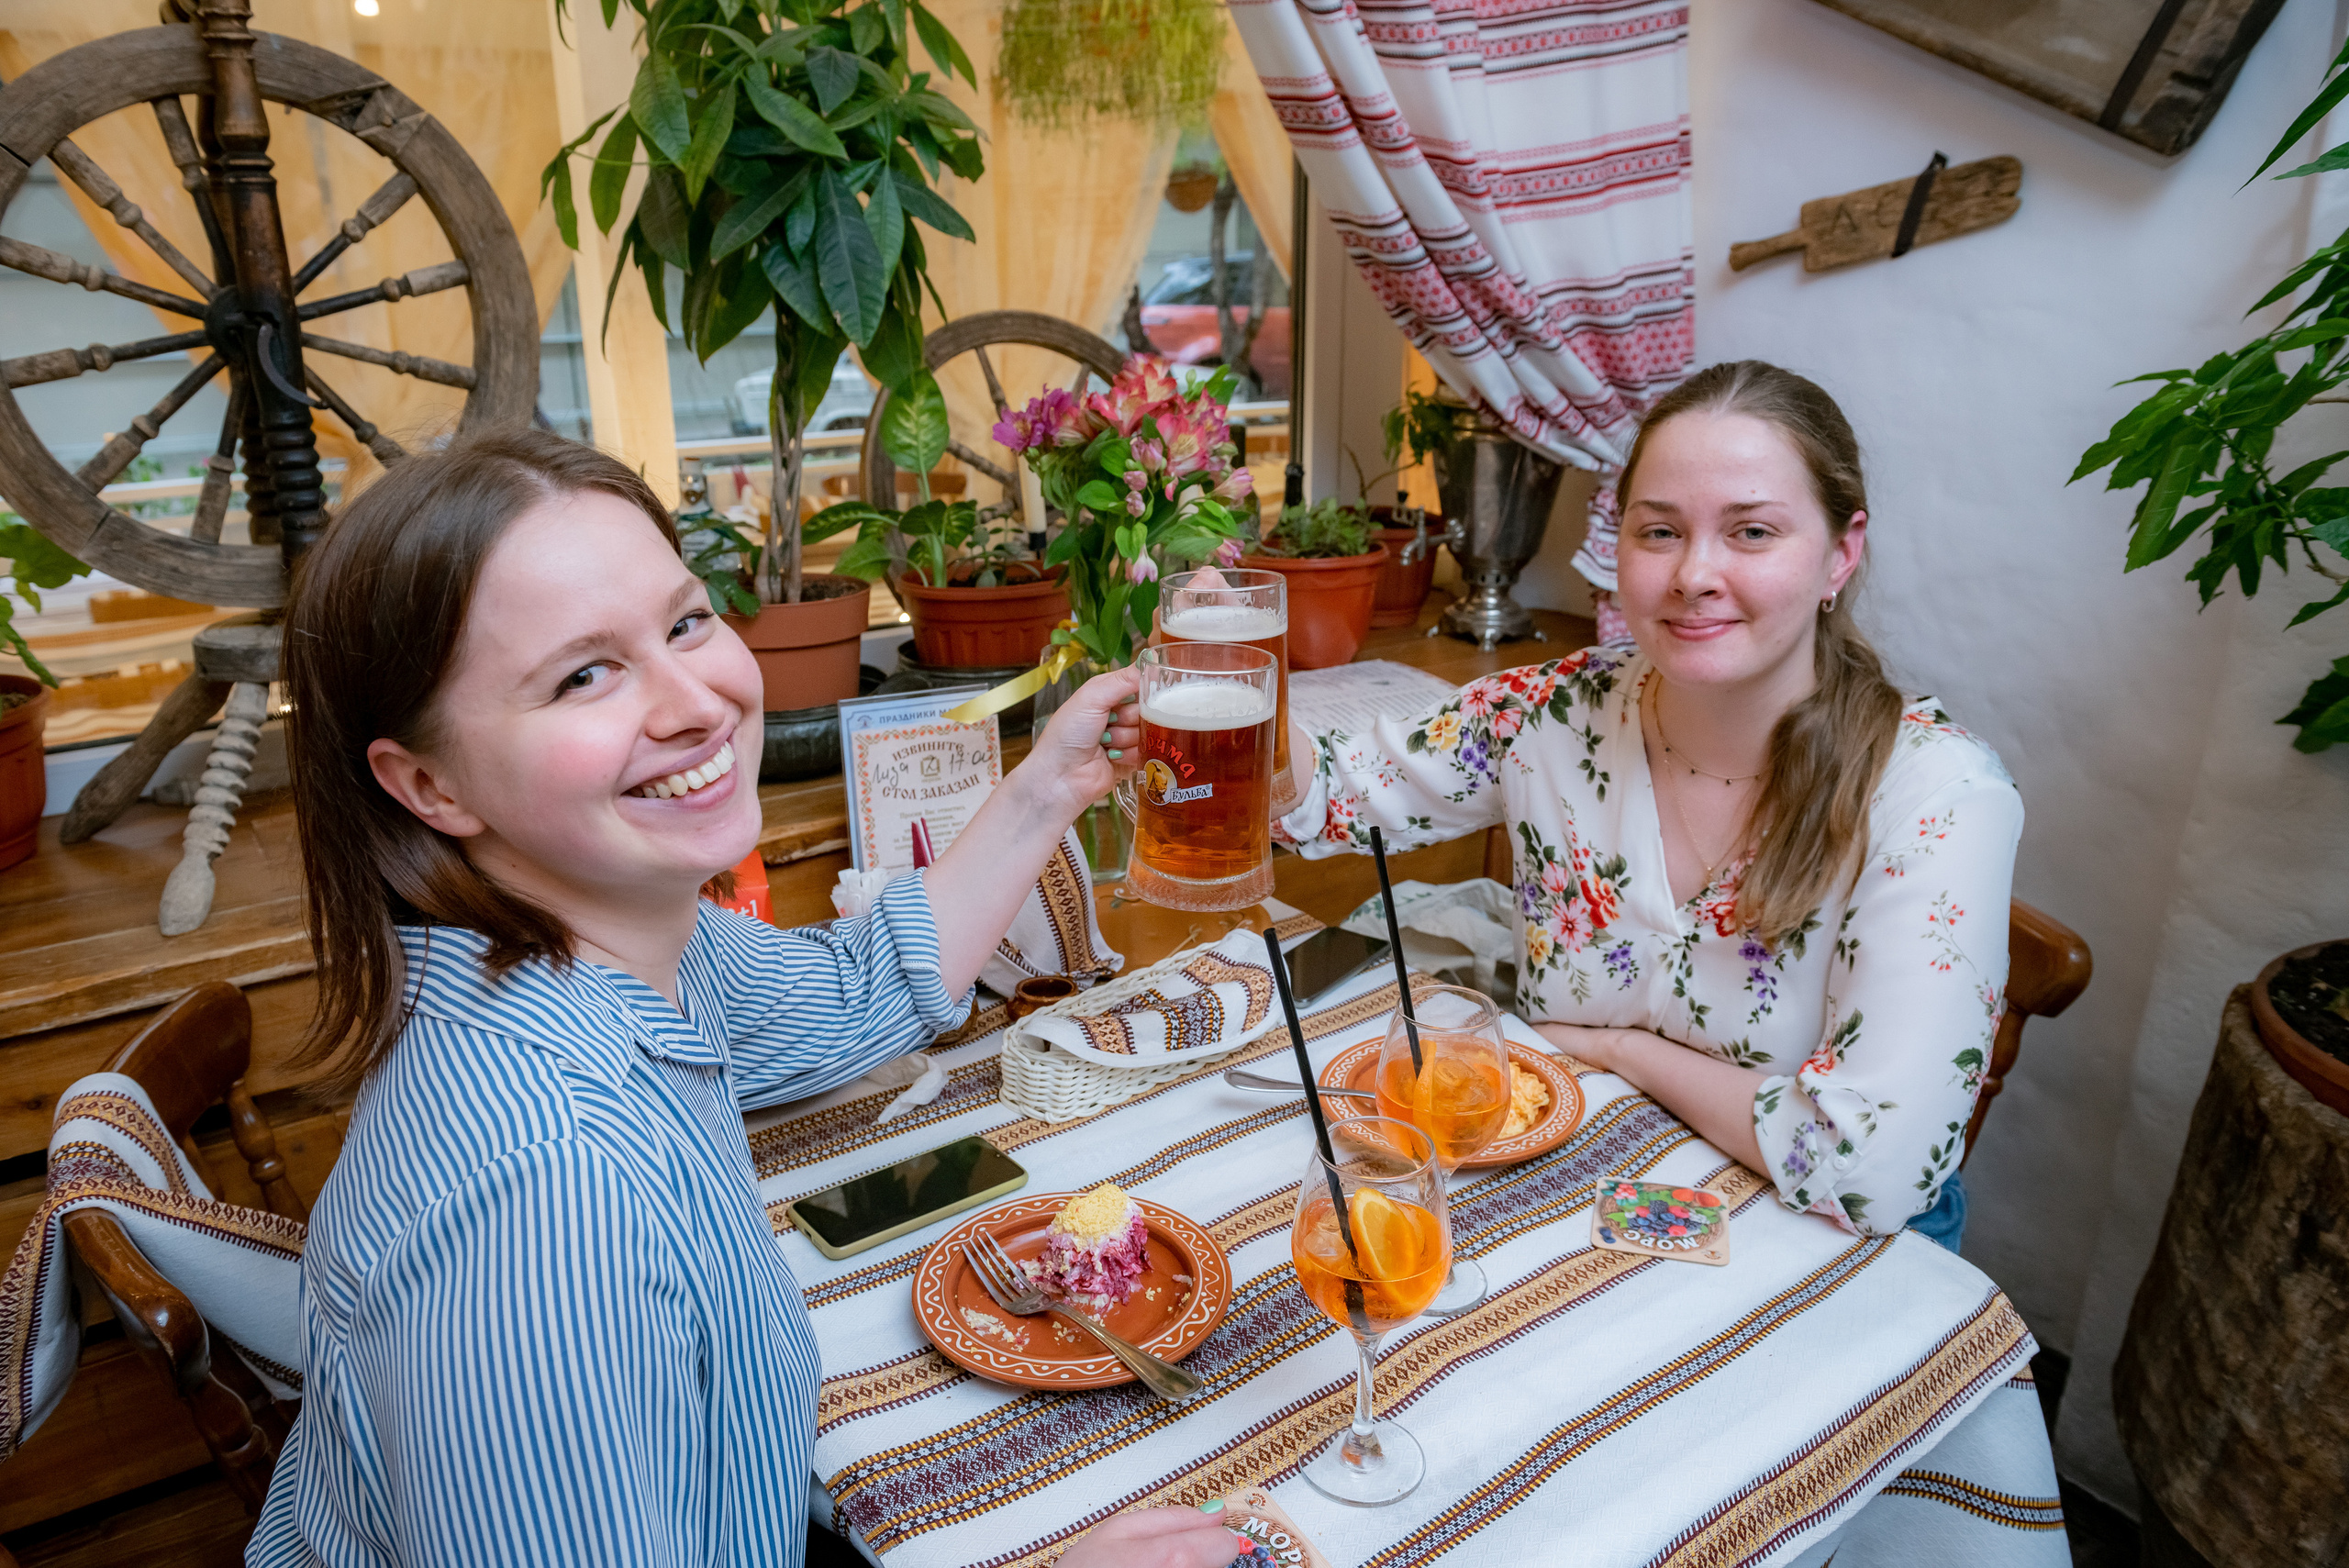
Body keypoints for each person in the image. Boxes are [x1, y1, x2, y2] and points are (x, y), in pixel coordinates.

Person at [247, 428, 1240, 1568]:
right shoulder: (544, 1196)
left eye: (684, 622)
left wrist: (1048, 785)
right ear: (429, 784)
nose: (697, 703)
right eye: (583, 675)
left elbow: (856, 990)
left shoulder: (613, 944)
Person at [1275, 361, 2021, 1249]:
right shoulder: (1553, 712)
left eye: (1751, 531)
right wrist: (1236, 698)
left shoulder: (1940, 797)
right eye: (1659, 531)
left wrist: (1618, 1049)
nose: (1693, 573)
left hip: (1827, 1246)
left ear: (1840, 551)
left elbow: (1867, 1169)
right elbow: (1327, 793)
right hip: (1589, 1192)